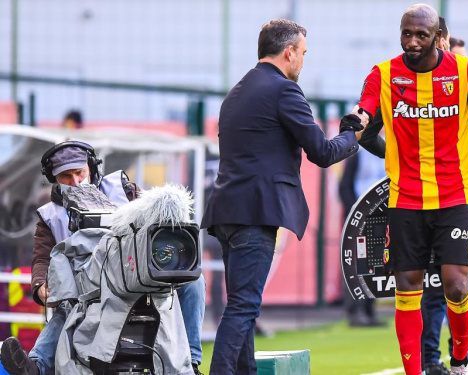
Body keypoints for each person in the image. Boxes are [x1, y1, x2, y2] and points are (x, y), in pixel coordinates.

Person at [351, 4, 468, 375]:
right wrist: (363, 127)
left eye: (420, 35)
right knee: (407, 289)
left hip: (456, 197)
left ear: (435, 35)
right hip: (406, 200)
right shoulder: (383, 74)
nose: (412, 41)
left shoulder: (466, 72)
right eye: (406, 33)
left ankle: (460, 360)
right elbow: (364, 117)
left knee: (457, 285)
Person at [200, 19, 363, 374]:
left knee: (243, 306)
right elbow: (321, 152)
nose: (303, 61)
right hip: (256, 213)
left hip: (226, 210)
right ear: (288, 52)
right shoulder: (284, 91)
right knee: (243, 307)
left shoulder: (237, 92)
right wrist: (354, 135)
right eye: (303, 53)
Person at [0, 141, 206, 375]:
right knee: (66, 304)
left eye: (79, 173)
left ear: (92, 168)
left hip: (136, 277)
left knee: (194, 282)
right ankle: (35, 367)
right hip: (86, 288)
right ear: (53, 178)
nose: (75, 181)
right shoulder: (48, 216)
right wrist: (40, 287)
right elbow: (41, 261)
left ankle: (192, 363)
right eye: (66, 176)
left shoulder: (125, 190)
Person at [339, 149, 387, 327]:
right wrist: (355, 215)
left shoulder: (389, 151)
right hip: (360, 217)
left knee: (377, 266)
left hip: (380, 216)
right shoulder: (356, 154)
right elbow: (344, 187)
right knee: (355, 266)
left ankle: (369, 311)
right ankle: (355, 312)